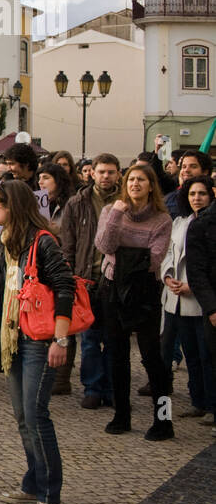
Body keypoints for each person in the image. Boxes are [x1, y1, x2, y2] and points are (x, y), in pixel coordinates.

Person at [0, 181, 75, 504]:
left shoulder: (44, 242)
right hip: (15, 337)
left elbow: (65, 287)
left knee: (37, 416)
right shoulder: (8, 242)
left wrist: (61, 340)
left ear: (14, 207)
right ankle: (34, 482)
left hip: (41, 340)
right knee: (24, 417)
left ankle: (52, 495)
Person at [95, 162, 173, 439]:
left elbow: (154, 259)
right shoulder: (110, 211)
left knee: (153, 357)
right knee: (117, 355)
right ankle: (121, 415)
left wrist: (121, 254)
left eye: (141, 180)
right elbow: (104, 245)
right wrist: (117, 213)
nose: (135, 184)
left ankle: (164, 419)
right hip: (113, 289)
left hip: (144, 292)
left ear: (151, 185)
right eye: (130, 179)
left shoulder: (162, 220)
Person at [60, 153, 121, 408]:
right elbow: (68, 243)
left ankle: (113, 387)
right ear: (91, 173)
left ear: (118, 174)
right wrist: (70, 276)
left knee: (115, 338)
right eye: (101, 172)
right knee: (90, 339)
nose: (106, 176)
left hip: (116, 280)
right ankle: (93, 388)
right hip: (86, 279)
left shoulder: (125, 201)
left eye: (110, 172)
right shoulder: (77, 202)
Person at [162, 176, 215, 421]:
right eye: (193, 194)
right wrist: (168, 277)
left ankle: (211, 404)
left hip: (200, 299)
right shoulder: (179, 222)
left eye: (202, 194)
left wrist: (192, 286)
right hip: (177, 298)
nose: (196, 198)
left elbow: (207, 264)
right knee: (191, 354)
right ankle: (197, 401)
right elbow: (169, 254)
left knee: (207, 355)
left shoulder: (210, 223)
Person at [165, 150, 213, 217]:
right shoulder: (170, 198)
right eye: (184, 167)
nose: (186, 170)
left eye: (193, 166)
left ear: (205, 172)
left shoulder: (213, 197)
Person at [37, 161, 74, 229]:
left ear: (58, 180)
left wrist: (58, 230)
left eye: (46, 178)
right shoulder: (37, 203)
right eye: (39, 178)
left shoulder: (71, 204)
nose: (40, 182)